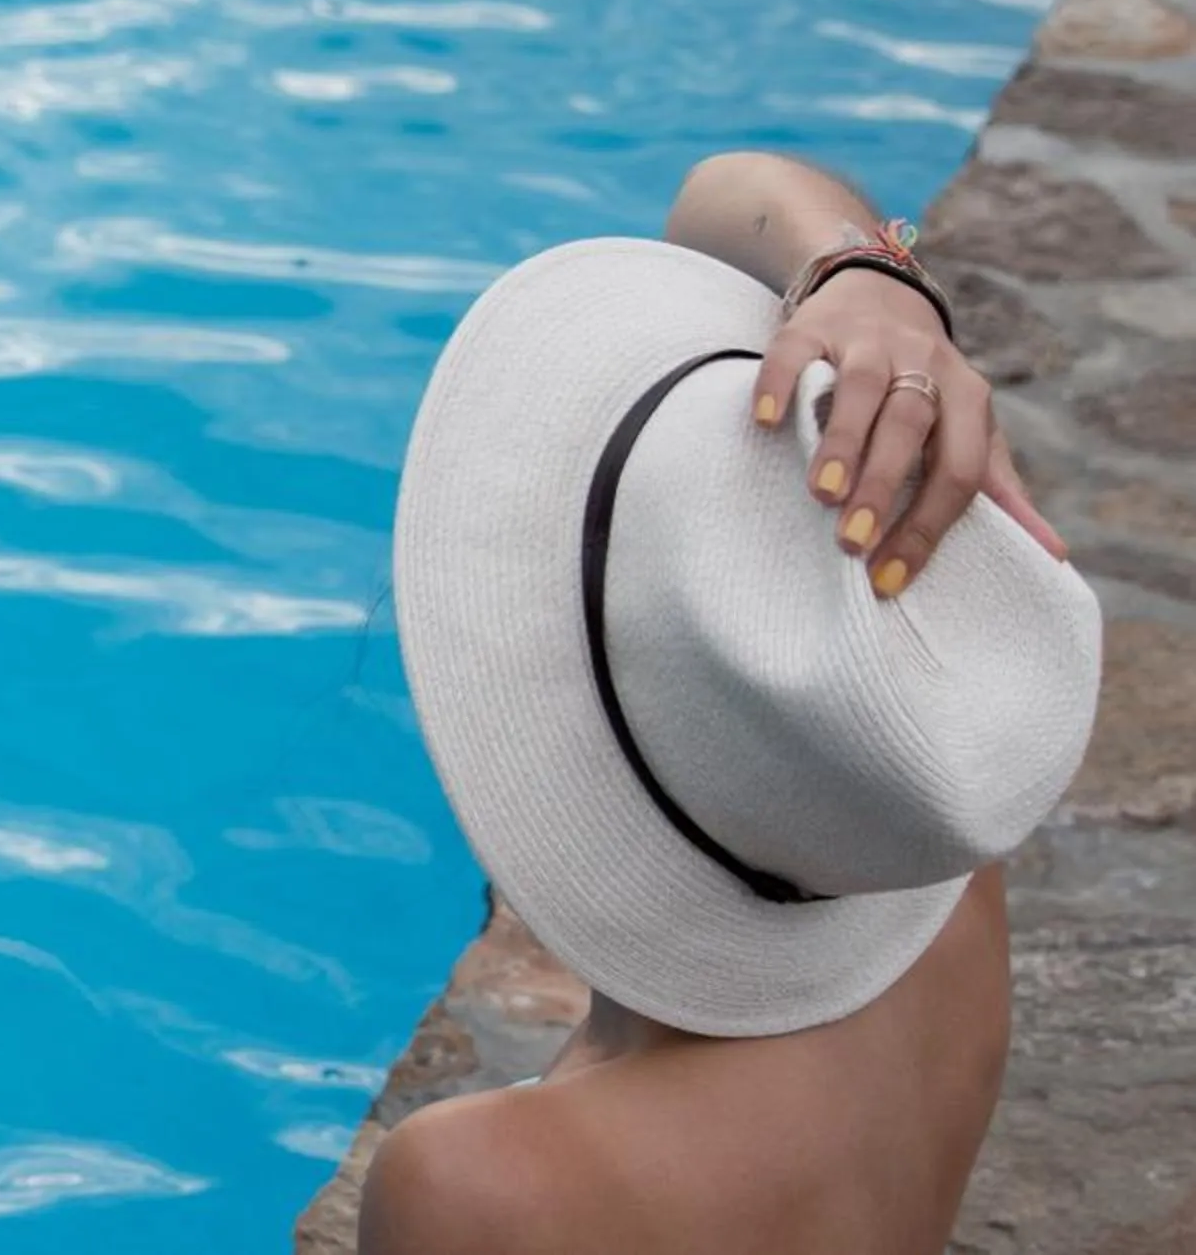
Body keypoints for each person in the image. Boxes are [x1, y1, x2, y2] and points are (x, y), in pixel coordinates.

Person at [361, 152, 1099, 1255]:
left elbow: (728, 185)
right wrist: (872, 277)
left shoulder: (494, 1185)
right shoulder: (920, 856)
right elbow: (728, 190)